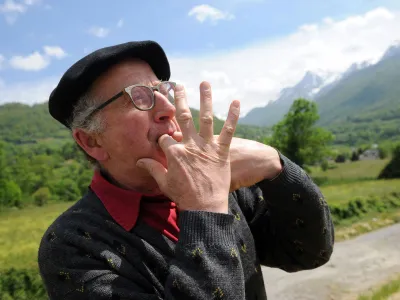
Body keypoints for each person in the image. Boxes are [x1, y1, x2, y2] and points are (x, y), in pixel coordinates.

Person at [38, 40, 334, 300]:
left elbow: (307, 253)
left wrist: (276, 166)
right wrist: (206, 207)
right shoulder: (71, 245)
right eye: (138, 96)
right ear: (91, 140)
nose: (170, 107)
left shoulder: (222, 181)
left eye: (164, 90)